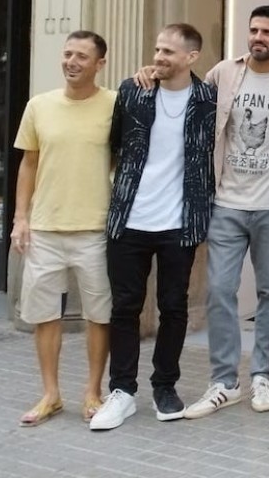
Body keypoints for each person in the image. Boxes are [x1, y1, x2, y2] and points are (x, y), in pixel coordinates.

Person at [183, 5, 269, 419]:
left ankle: (262, 375)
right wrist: (153, 76)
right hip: (227, 202)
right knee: (219, 290)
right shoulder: (224, 72)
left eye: (267, 32)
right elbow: (188, 97)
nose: (258, 37)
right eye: (254, 30)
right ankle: (224, 382)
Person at [90, 24, 217, 431]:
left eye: (168, 51)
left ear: (191, 57)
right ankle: (122, 391)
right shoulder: (133, 91)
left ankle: (165, 386)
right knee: (125, 307)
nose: (159, 57)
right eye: (157, 49)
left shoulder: (208, 99)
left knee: (173, 307)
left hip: (180, 222)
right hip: (130, 218)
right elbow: (114, 144)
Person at [12, 31, 116, 427]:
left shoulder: (115, 104)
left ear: (100, 64)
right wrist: (21, 218)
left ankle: (93, 392)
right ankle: (50, 395)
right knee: (44, 315)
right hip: (45, 229)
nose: (72, 61)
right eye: (68, 53)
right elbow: (29, 164)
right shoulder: (39, 106)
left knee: (99, 315)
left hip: (95, 229)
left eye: (82, 56)